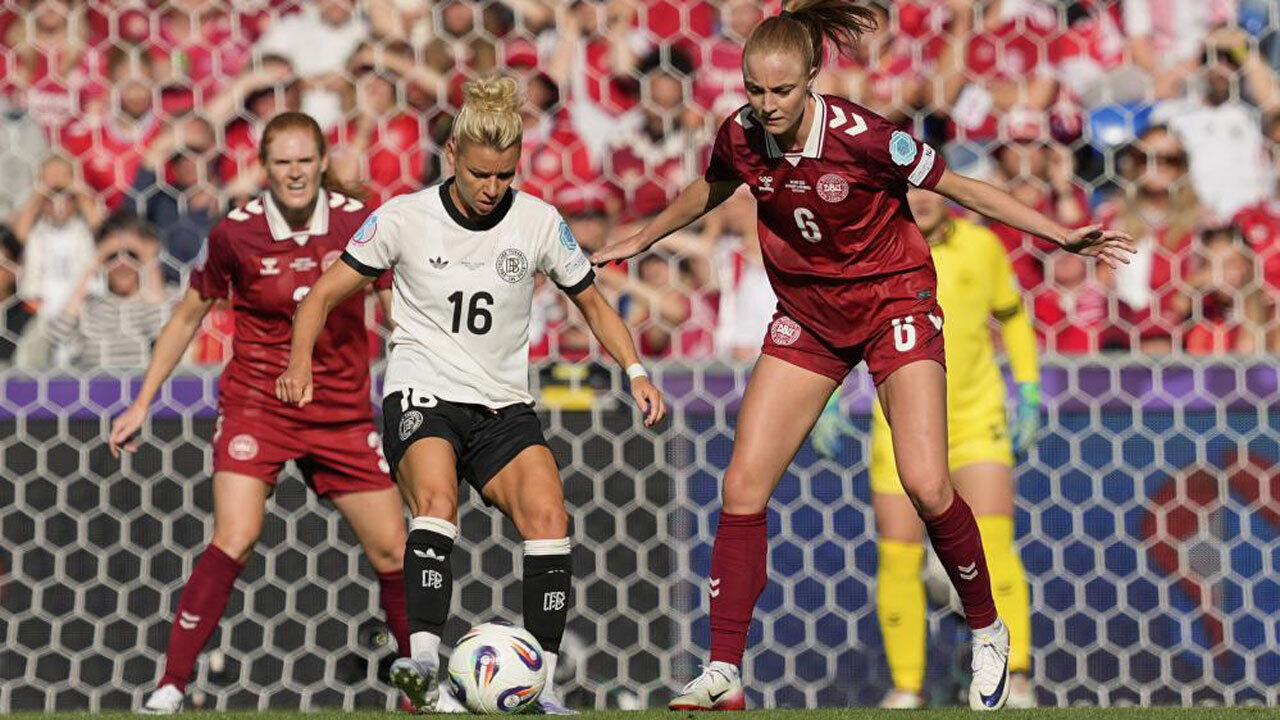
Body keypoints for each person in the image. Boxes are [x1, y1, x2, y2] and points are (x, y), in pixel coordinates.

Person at [590, 1, 1134, 711]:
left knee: (927, 484)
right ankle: (724, 669)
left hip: (893, 308)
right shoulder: (742, 135)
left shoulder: (866, 138)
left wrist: (1057, 234)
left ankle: (988, 629)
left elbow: (962, 186)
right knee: (741, 486)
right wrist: (642, 237)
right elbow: (712, 186)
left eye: (781, 91)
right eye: (754, 90)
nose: (766, 104)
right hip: (810, 319)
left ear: (813, 77)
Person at [277, 76, 665, 715]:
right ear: (452, 156)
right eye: (481, 174)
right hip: (422, 391)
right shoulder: (403, 219)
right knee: (436, 499)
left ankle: (537, 686)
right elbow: (320, 294)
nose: (492, 189)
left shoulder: (539, 222)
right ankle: (425, 665)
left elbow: (592, 301)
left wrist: (636, 371)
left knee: (550, 517)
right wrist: (300, 364)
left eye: (505, 176)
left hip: (502, 405)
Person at [107, 112, 410, 714]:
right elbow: (189, 315)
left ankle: (420, 686)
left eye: (304, 160)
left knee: (395, 551)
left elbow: (397, 306)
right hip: (258, 404)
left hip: (340, 409)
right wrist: (142, 401)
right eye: (282, 162)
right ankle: (170, 684)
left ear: (323, 163)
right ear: (264, 168)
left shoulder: (360, 225)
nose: (294, 173)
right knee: (236, 535)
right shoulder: (235, 234)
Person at [810, 189, 1040, 709]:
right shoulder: (871, 251)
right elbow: (836, 323)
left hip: (975, 420)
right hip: (900, 424)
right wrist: (827, 394)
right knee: (898, 555)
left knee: (996, 544)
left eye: (929, 187)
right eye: (908, 189)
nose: (921, 199)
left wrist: (1027, 388)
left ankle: (1017, 675)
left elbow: (1012, 315)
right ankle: (908, 687)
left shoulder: (982, 246)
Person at [46, 215, 171, 367]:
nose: (122, 264)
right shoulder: (89, 306)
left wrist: (148, 259)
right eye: (113, 256)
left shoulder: (156, 301)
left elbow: (166, 335)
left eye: (131, 255)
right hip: (93, 385)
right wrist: (95, 261)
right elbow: (56, 336)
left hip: (140, 385)